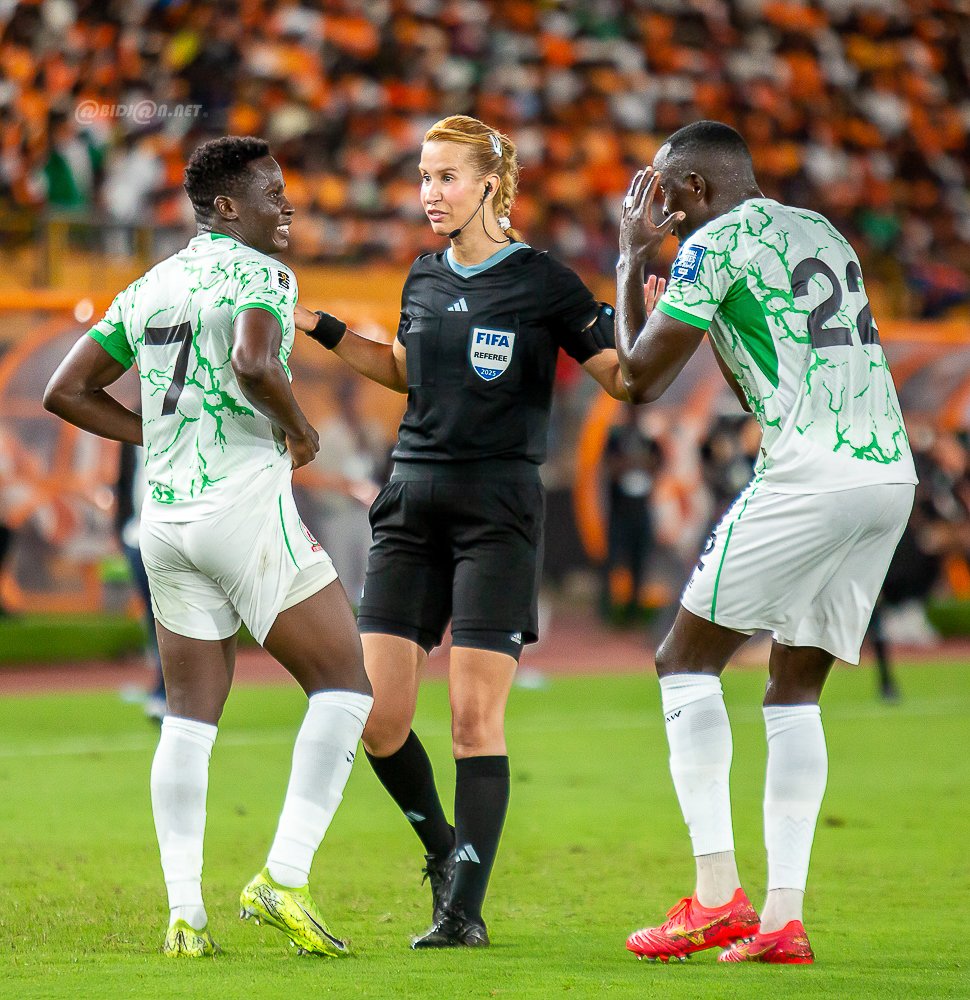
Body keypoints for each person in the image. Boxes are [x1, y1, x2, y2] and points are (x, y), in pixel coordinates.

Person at [295, 114, 645, 948]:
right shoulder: (422, 275)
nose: (429, 192)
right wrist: (322, 327)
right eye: (423, 176)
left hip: (497, 512)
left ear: (491, 184)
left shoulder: (545, 282)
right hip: (410, 504)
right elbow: (404, 371)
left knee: (470, 722)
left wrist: (643, 316)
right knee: (377, 718)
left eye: (446, 176)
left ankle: (463, 912)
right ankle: (445, 851)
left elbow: (626, 381)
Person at [43, 135, 373, 959]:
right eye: (271, 192)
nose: (285, 204)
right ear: (227, 206)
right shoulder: (264, 275)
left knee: (188, 720)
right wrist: (301, 431)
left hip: (165, 521)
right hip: (240, 507)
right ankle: (283, 876)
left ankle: (185, 916)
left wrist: (155, 437)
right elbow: (255, 363)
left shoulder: (149, 284)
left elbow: (65, 390)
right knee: (344, 684)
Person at [614, 121, 917, 964]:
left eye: (665, 190)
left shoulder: (711, 244)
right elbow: (761, 369)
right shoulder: (819, 231)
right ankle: (784, 919)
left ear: (697, 188)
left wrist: (631, 259)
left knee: (683, 661)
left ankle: (716, 898)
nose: (657, 206)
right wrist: (686, 312)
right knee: (793, 689)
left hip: (810, 475)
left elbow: (636, 379)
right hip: (887, 474)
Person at [601, 404, 663, 624]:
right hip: (620, 510)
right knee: (613, 561)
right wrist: (636, 463)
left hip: (641, 509)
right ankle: (610, 611)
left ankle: (634, 610)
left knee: (639, 561)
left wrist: (637, 464)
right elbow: (611, 466)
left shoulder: (649, 440)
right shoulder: (616, 438)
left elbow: (657, 464)